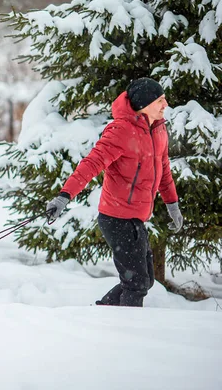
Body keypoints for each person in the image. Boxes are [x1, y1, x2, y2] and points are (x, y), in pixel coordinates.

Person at [46, 77, 183, 307]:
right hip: (116, 219)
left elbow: (165, 171)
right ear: (144, 104)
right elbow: (92, 164)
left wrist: (173, 206)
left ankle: (105, 311)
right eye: (160, 100)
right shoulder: (121, 131)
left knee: (145, 280)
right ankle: (125, 332)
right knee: (136, 284)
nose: (165, 104)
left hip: (136, 218)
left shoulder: (158, 129)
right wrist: (64, 196)